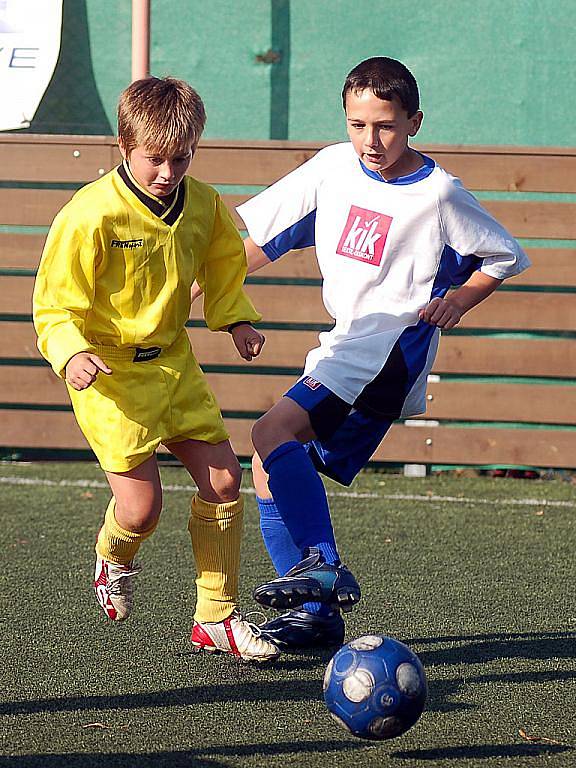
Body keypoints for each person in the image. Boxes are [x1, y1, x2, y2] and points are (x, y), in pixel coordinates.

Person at [235, 56, 531, 651]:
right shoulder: (331, 167)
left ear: (414, 121)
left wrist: (461, 300)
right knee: (271, 466)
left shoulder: (439, 191)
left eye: (386, 126)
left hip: (391, 345)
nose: (371, 140)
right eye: (358, 124)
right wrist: (186, 291)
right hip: (350, 341)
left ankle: (319, 563)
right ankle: (315, 615)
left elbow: (504, 255)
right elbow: (258, 243)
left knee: (270, 434)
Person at [32, 76, 279, 663]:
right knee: (142, 510)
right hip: (110, 377)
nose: (168, 171)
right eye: (155, 158)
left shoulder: (204, 203)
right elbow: (53, 303)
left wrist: (235, 319)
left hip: (174, 365)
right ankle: (114, 556)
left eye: (181, 158)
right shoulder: (90, 213)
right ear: (124, 146)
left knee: (223, 481)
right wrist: (71, 352)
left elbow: (223, 264)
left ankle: (216, 617)